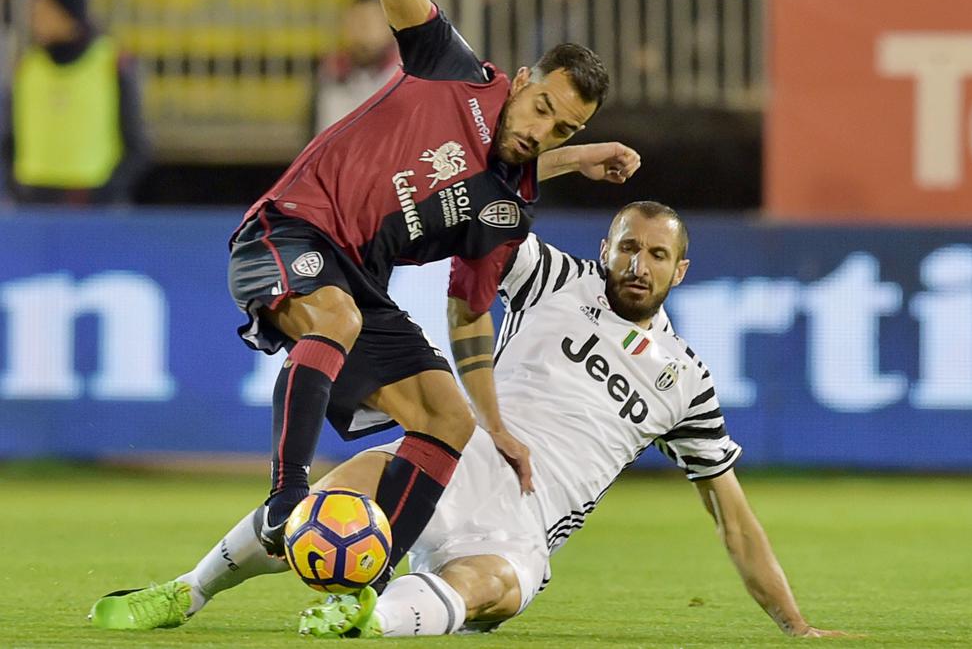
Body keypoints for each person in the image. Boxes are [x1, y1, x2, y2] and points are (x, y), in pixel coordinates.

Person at [90, 202, 842, 639]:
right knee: (331, 497)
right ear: (604, 248)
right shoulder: (555, 278)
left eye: (656, 254)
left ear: (680, 271)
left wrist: (796, 628)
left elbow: (732, 520)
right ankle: (185, 591)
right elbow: (477, 221)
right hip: (442, 465)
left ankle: (367, 620)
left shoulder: (689, 382)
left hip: (518, 528)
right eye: (626, 247)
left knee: (493, 586)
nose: (636, 264)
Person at [228, 0, 640, 566]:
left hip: (360, 283)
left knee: (449, 420)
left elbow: (469, 313)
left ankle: (374, 573)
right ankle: (286, 501)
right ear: (522, 81)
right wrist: (578, 157)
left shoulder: (504, 215)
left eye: (562, 130)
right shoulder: (452, 66)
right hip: (286, 230)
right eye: (541, 109)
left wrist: (496, 424)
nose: (539, 131)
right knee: (336, 318)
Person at [2, 0, 150, 205]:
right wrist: (16, 188)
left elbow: (136, 142)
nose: (33, 18)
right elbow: (10, 136)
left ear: (65, 13)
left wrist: (107, 191)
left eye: (42, 9)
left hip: (92, 204)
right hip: (33, 203)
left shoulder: (111, 62)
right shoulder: (28, 67)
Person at [310, 0, 401, 135]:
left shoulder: (406, 74)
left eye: (369, 21)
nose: (362, 29)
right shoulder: (329, 72)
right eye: (355, 20)